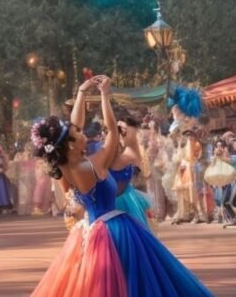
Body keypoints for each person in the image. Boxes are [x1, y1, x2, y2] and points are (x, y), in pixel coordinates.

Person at [32, 76, 212, 296]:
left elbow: (74, 125)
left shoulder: (65, 166)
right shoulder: (93, 164)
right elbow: (113, 132)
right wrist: (105, 95)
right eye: (77, 134)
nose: (82, 132)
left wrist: (81, 93)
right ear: (69, 146)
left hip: (89, 229)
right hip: (114, 230)